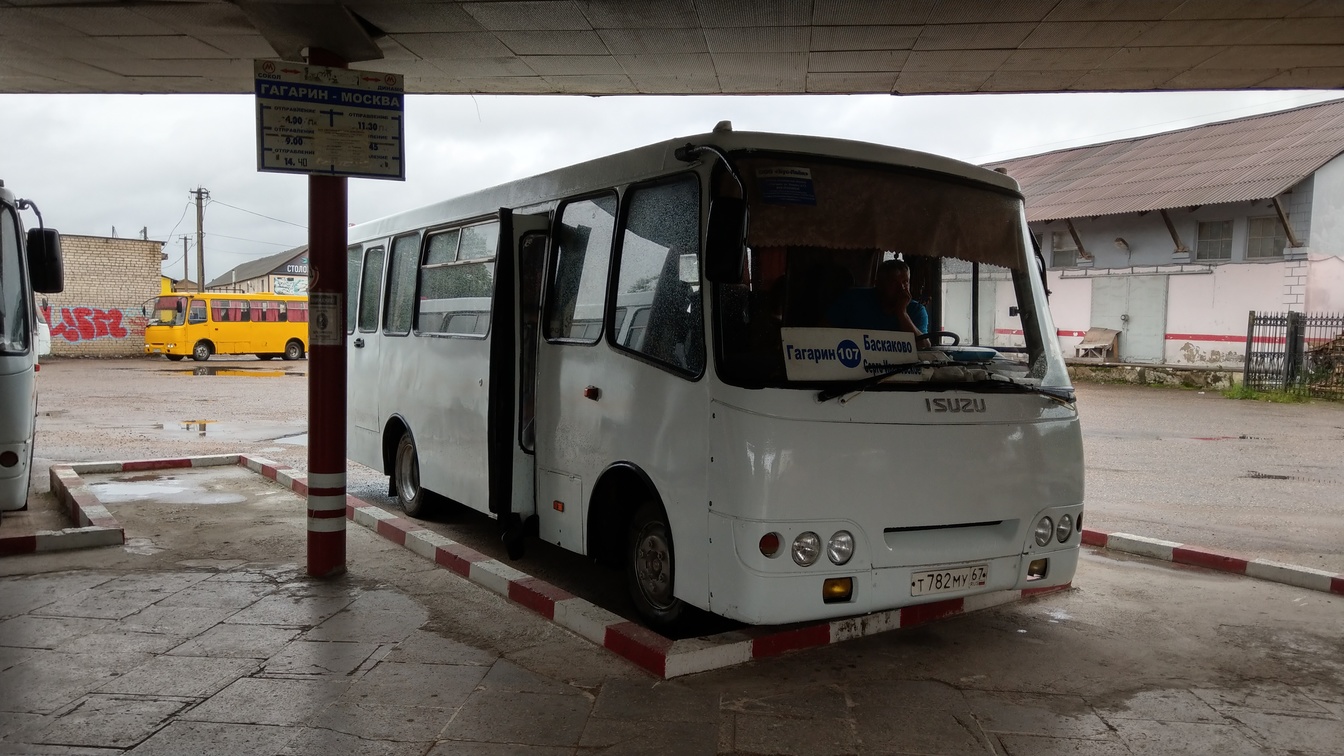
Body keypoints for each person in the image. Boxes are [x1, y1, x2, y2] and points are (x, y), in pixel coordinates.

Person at [824, 258, 928, 339]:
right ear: (878, 284)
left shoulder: (916, 310)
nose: (902, 288)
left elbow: (924, 346)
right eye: (893, 282)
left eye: (905, 282)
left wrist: (902, 313)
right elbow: (823, 331)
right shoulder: (853, 299)